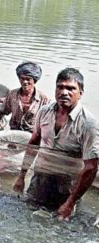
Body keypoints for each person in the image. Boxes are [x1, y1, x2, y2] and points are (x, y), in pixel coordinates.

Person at [13, 68, 99, 221]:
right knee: (28, 218)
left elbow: (91, 167)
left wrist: (70, 202)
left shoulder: (88, 124)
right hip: (40, 180)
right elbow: (34, 143)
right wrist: (21, 176)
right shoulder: (44, 112)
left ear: (81, 93)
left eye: (71, 88)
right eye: (60, 87)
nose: (64, 92)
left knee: (61, 227)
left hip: (67, 188)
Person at [0, 61, 51, 132]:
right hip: (14, 132)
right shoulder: (12, 94)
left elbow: (47, 122)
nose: (25, 82)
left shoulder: (43, 99)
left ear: (34, 81)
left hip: (33, 134)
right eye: (22, 78)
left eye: (28, 79)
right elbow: (1, 112)